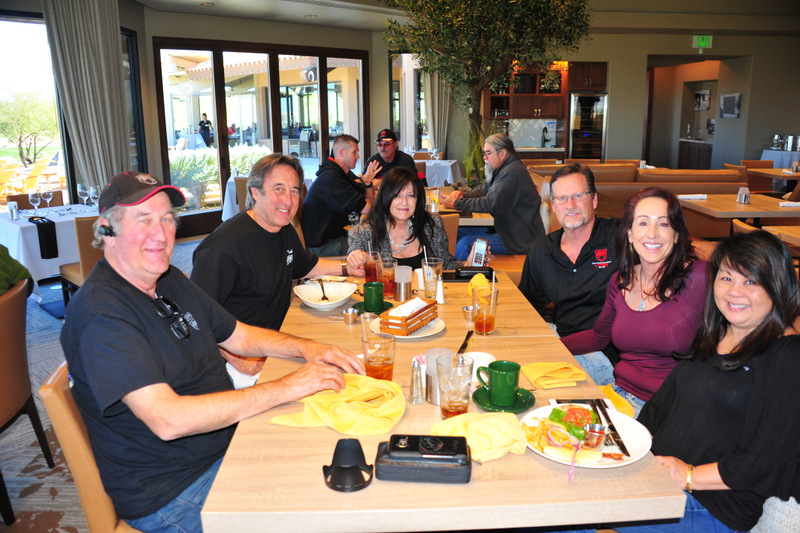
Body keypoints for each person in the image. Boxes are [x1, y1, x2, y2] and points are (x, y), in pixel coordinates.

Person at [61, 171, 363, 532]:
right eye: (143, 220)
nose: (161, 233)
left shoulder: (167, 279)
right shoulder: (102, 313)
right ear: (106, 230)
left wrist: (308, 348)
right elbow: (169, 420)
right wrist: (288, 386)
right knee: (321, 511)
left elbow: (239, 335)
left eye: (167, 219)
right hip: (174, 489)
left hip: (222, 441)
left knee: (331, 447)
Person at [612, 230, 800, 532]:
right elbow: (659, 410)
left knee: (566, 510)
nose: (734, 291)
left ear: (777, 286)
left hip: (711, 507)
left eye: (751, 281)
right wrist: (618, 450)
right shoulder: (714, 335)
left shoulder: (787, 355)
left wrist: (690, 475)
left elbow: (770, 462)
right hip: (658, 476)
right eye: (726, 278)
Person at [192, 154, 363, 386]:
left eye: (294, 191)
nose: (288, 201)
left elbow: (306, 266)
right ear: (255, 192)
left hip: (279, 341)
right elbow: (196, 318)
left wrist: (348, 269)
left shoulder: (283, 230)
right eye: (279, 189)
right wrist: (238, 359)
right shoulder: (222, 248)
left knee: (352, 353)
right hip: (240, 363)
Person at [560, 187, 707, 417]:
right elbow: (598, 337)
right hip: (618, 394)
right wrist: (551, 347)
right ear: (629, 234)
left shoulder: (700, 278)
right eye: (643, 223)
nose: (652, 233)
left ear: (677, 235)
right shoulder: (621, 282)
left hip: (664, 409)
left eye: (663, 224)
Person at [519, 163, 619, 385]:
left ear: (594, 200)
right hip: (564, 340)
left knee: (530, 375)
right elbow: (527, 308)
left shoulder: (620, 238)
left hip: (606, 355)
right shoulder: (542, 251)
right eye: (562, 198)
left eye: (578, 196)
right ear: (554, 206)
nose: (570, 205)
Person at [439, 133, 545, 259]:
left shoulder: (512, 173)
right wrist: (461, 196)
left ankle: (458, 271)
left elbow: (490, 204)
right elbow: (481, 191)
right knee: (454, 231)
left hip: (517, 240)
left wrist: (456, 204)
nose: (484, 157)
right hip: (503, 230)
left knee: (465, 243)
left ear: (502, 153)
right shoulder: (502, 169)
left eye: (488, 153)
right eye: (485, 153)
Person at [346, 167, 460, 271]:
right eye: (397, 195)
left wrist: (467, 265)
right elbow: (354, 264)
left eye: (411, 195)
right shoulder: (363, 232)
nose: (405, 202)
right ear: (385, 197)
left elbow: (446, 265)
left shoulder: (431, 224)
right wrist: (354, 259)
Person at [302, 134, 381, 256]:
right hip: (321, 247)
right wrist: (368, 189)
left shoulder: (342, 174)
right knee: (373, 246)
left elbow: (368, 201)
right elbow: (368, 208)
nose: (358, 156)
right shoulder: (331, 178)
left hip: (334, 237)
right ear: (341, 153)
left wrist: (367, 183)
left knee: (372, 238)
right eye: (354, 152)